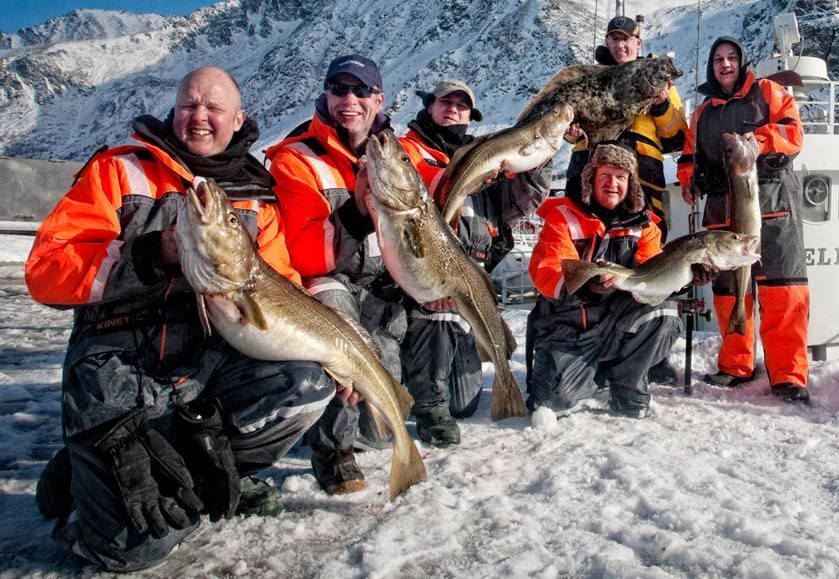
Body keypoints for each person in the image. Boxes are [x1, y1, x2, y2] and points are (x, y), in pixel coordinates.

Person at [25, 67, 336, 571]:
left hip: (207, 359)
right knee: (134, 548)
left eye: (214, 108)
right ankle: (89, 505)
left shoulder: (256, 193)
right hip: (117, 363)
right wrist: (151, 254)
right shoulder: (119, 171)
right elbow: (46, 271)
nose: (199, 117)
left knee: (307, 384)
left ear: (238, 120)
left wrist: (333, 345)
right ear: (174, 111)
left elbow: (282, 286)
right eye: (189, 105)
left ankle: (211, 477)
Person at [265, 54, 401, 494]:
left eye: (361, 91)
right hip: (323, 279)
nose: (349, 100)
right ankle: (332, 451)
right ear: (325, 95)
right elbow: (303, 253)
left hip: (377, 279)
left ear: (378, 99)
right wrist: (358, 211)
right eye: (338, 89)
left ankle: (347, 425)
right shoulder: (295, 157)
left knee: (381, 417)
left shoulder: (394, 153)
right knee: (344, 342)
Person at [397, 79, 548, 445]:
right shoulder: (408, 150)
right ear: (429, 107)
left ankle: (464, 384)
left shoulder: (485, 155)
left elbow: (521, 201)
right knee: (440, 312)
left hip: (473, 278)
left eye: (461, 106)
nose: (452, 109)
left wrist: (539, 158)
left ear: (471, 115)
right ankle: (426, 402)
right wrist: (464, 173)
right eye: (444, 102)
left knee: (464, 403)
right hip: (427, 277)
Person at [678, 37, 812, 405]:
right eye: (718, 59)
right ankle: (736, 365)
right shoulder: (702, 113)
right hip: (723, 213)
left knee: (782, 293)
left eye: (731, 58)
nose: (725, 64)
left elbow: (793, 133)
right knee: (727, 293)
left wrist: (758, 140)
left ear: (741, 62)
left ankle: (788, 376)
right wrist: (689, 181)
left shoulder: (768, 92)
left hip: (772, 206)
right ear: (711, 66)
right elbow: (690, 156)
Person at [526, 142, 682, 418]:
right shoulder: (563, 217)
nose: (613, 184)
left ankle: (627, 385)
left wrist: (687, 276)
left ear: (631, 183)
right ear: (591, 178)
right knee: (553, 401)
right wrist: (589, 287)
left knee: (665, 311)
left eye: (621, 177)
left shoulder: (646, 224)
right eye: (605, 176)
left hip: (616, 322)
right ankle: (594, 370)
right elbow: (548, 271)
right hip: (570, 326)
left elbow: (654, 273)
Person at [564, 15, 687, 233]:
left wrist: (660, 105)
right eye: (614, 39)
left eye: (626, 39)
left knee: (644, 249)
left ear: (638, 42)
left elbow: (677, 138)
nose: (620, 45)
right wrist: (570, 131)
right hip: (592, 180)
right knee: (585, 244)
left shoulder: (662, 82)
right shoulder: (591, 80)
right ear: (606, 42)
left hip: (643, 181)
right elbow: (573, 131)